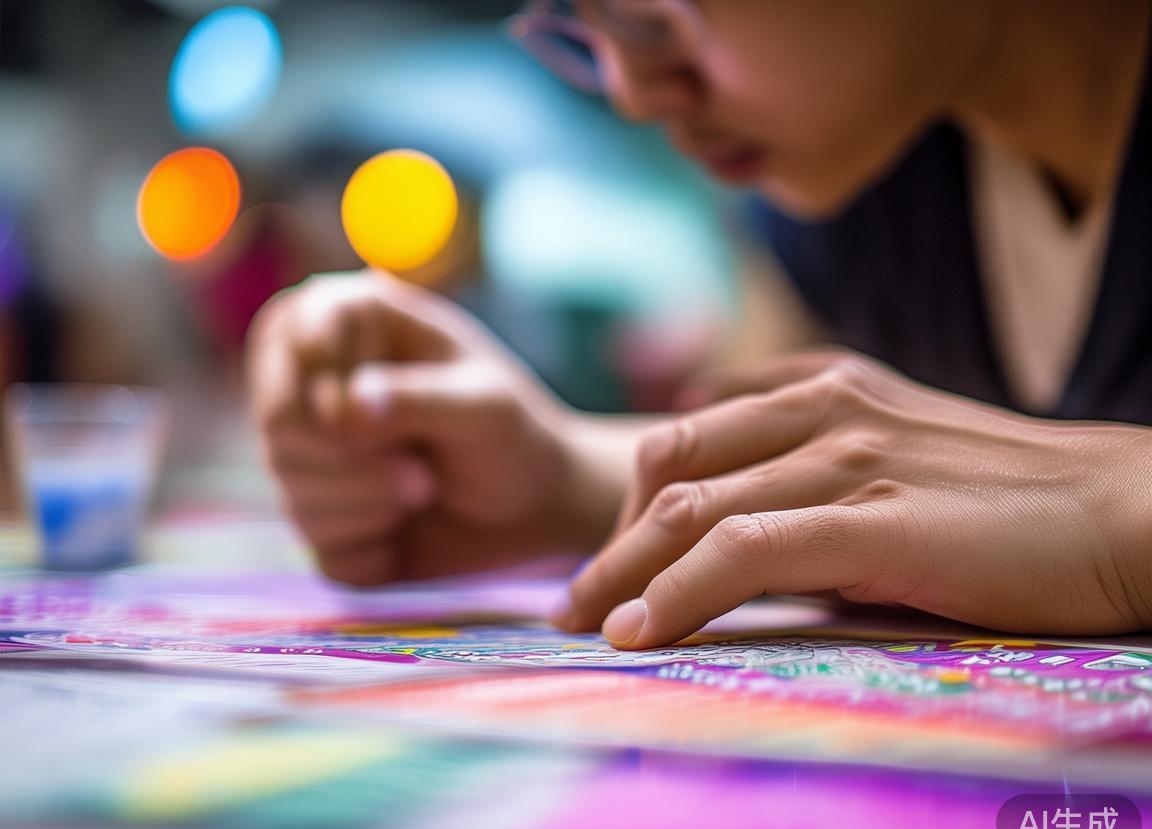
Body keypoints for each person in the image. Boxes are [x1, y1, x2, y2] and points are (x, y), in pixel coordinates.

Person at [246, 0, 1152, 650]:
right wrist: (562, 477)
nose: (632, 93)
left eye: (653, 19)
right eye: (579, 27)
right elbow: (824, 476)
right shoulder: (858, 190)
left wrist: (1117, 511)